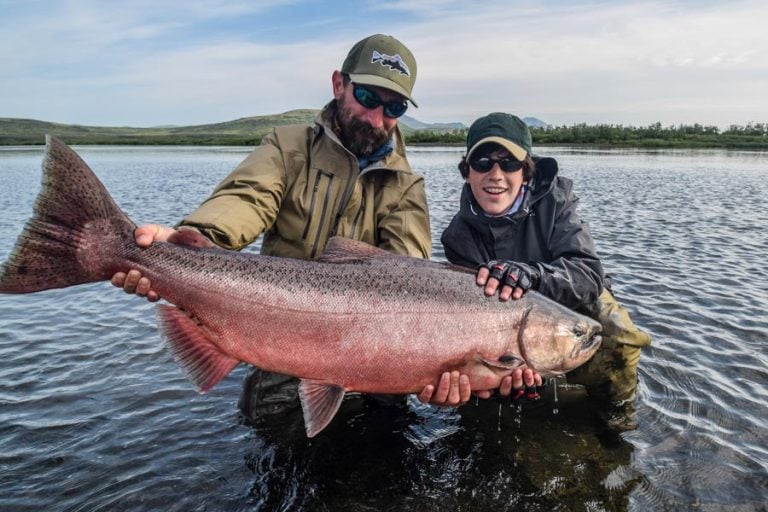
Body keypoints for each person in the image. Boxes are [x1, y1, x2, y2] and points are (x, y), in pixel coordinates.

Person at [111, 34, 477, 416]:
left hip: (375, 363)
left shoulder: (406, 186)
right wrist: (191, 239)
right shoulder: (288, 148)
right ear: (339, 84)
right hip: (278, 344)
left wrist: (430, 368)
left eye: (394, 107)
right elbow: (245, 198)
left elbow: (410, 282)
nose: (376, 117)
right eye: (367, 97)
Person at [440, 112, 652, 413]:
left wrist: (533, 277)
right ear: (468, 171)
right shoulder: (457, 236)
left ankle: (617, 415)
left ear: (526, 171)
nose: (496, 174)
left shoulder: (556, 202)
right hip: (503, 327)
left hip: (569, 305)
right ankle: (504, 399)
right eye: (483, 163)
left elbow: (588, 273)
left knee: (616, 329)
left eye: (509, 163)